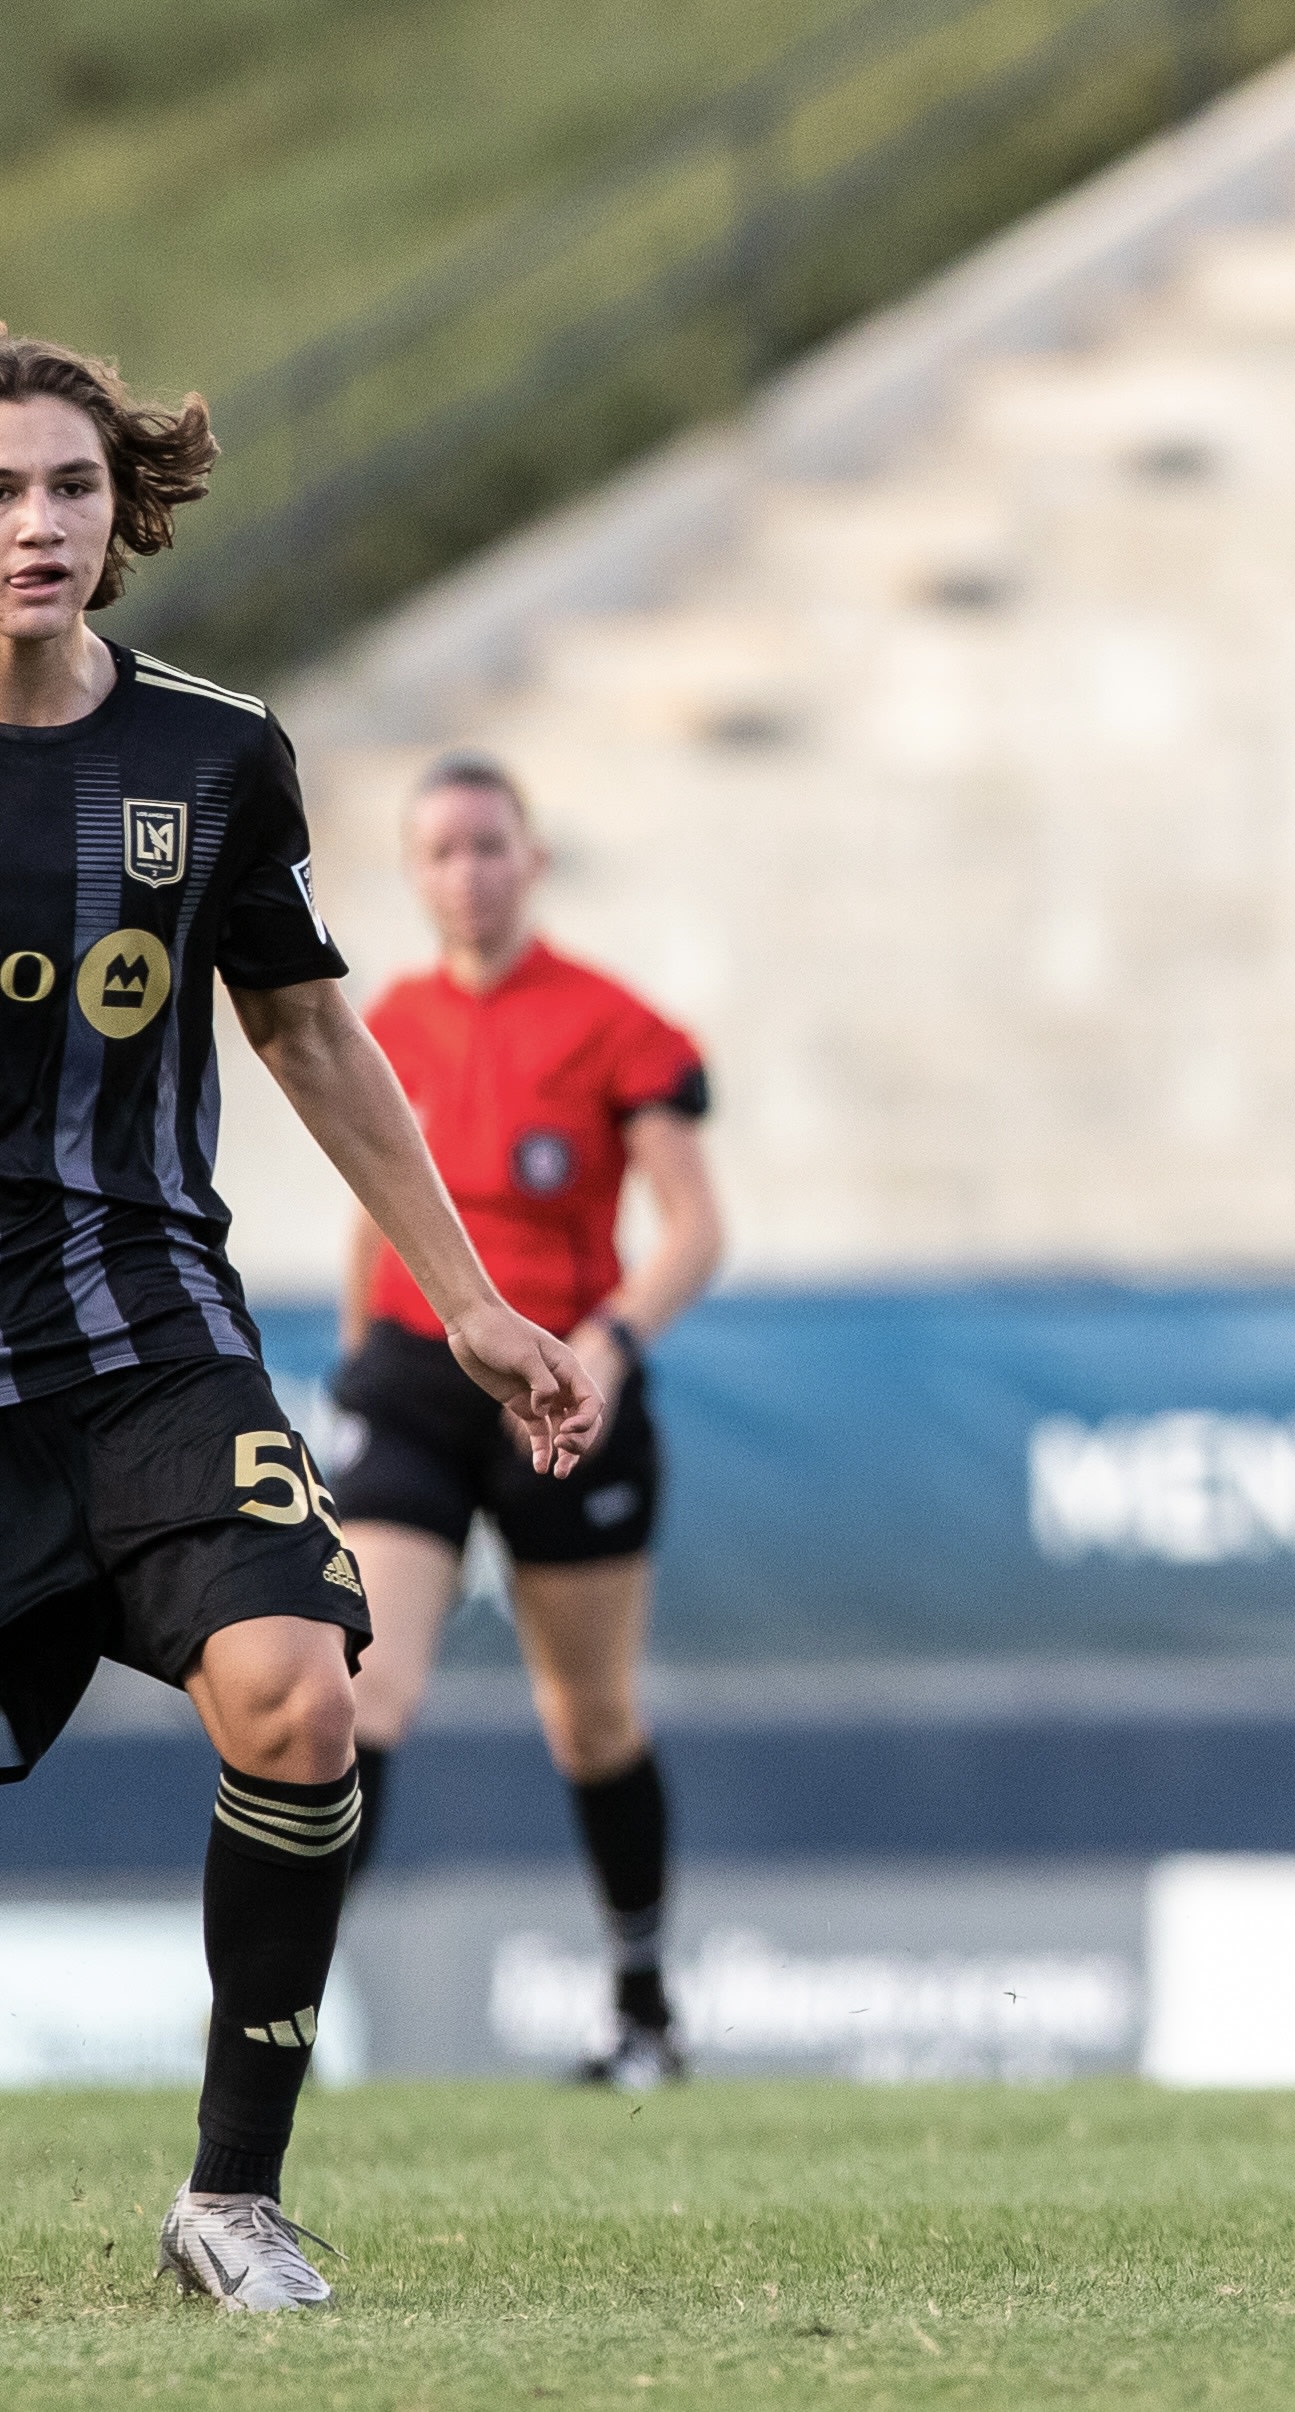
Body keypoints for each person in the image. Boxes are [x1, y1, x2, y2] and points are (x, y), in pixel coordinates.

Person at [0, 332, 598, 2310]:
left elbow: (310, 1029)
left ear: (122, 508)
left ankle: (231, 2199)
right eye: (3, 494)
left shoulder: (211, 753)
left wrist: (472, 1299)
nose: (36, 528)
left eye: (69, 488)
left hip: (155, 1336)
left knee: (300, 1695)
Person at [329, 750, 722, 2090]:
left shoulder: (612, 1022)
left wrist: (606, 1343)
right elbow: (372, 1201)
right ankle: (287, 2014)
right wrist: (357, 1349)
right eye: (440, 850)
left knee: (589, 1717)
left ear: (532, 859)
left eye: (490, 845)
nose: (468, 871)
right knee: (359, 1688)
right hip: (416, 1376)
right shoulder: (388, 1018)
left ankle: (645, 2010)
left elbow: (696, 1228)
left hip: (566, 1381)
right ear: (414, 872)